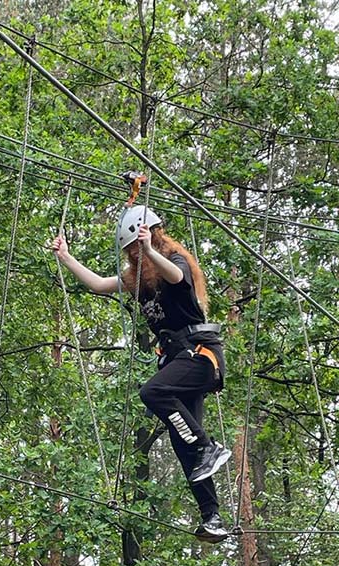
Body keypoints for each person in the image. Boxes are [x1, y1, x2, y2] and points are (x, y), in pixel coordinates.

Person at [52, 205, 231, 543]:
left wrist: (150, 250)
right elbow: (100, 284)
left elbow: (177, 278)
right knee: (185, 447)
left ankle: (210, 446)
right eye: (130, 251)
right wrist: (67, 258)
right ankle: (212, 517)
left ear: (154, 237)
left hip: (200, 355)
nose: (134, 255)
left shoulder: (174, 263)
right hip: (178, 364)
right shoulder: (139, 280)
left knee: (152, 392)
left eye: (137, 248)